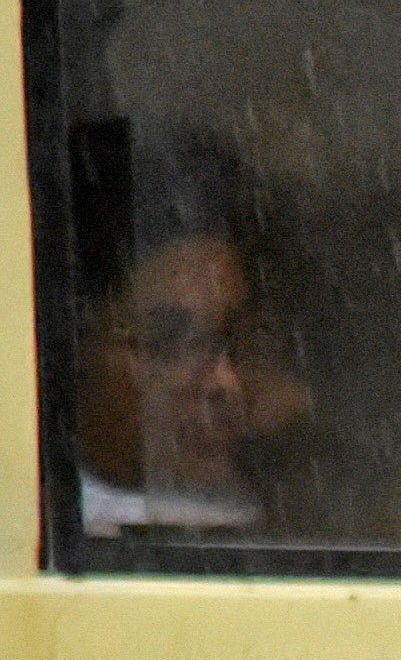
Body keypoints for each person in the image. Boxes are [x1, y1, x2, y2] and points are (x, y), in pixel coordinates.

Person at [62, 123, 309, 538]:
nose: (226, 383)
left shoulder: (278, 519)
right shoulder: (48, 538)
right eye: (168, 343)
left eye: (245, 343)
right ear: (71, 352)